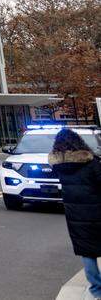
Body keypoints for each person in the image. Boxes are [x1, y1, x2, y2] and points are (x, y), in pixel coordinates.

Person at [49, 128, 101, 300]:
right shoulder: (91, 161)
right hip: (96, 208)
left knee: (87, 252)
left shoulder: (59, 166)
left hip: (75, 213)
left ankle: (96, 290)